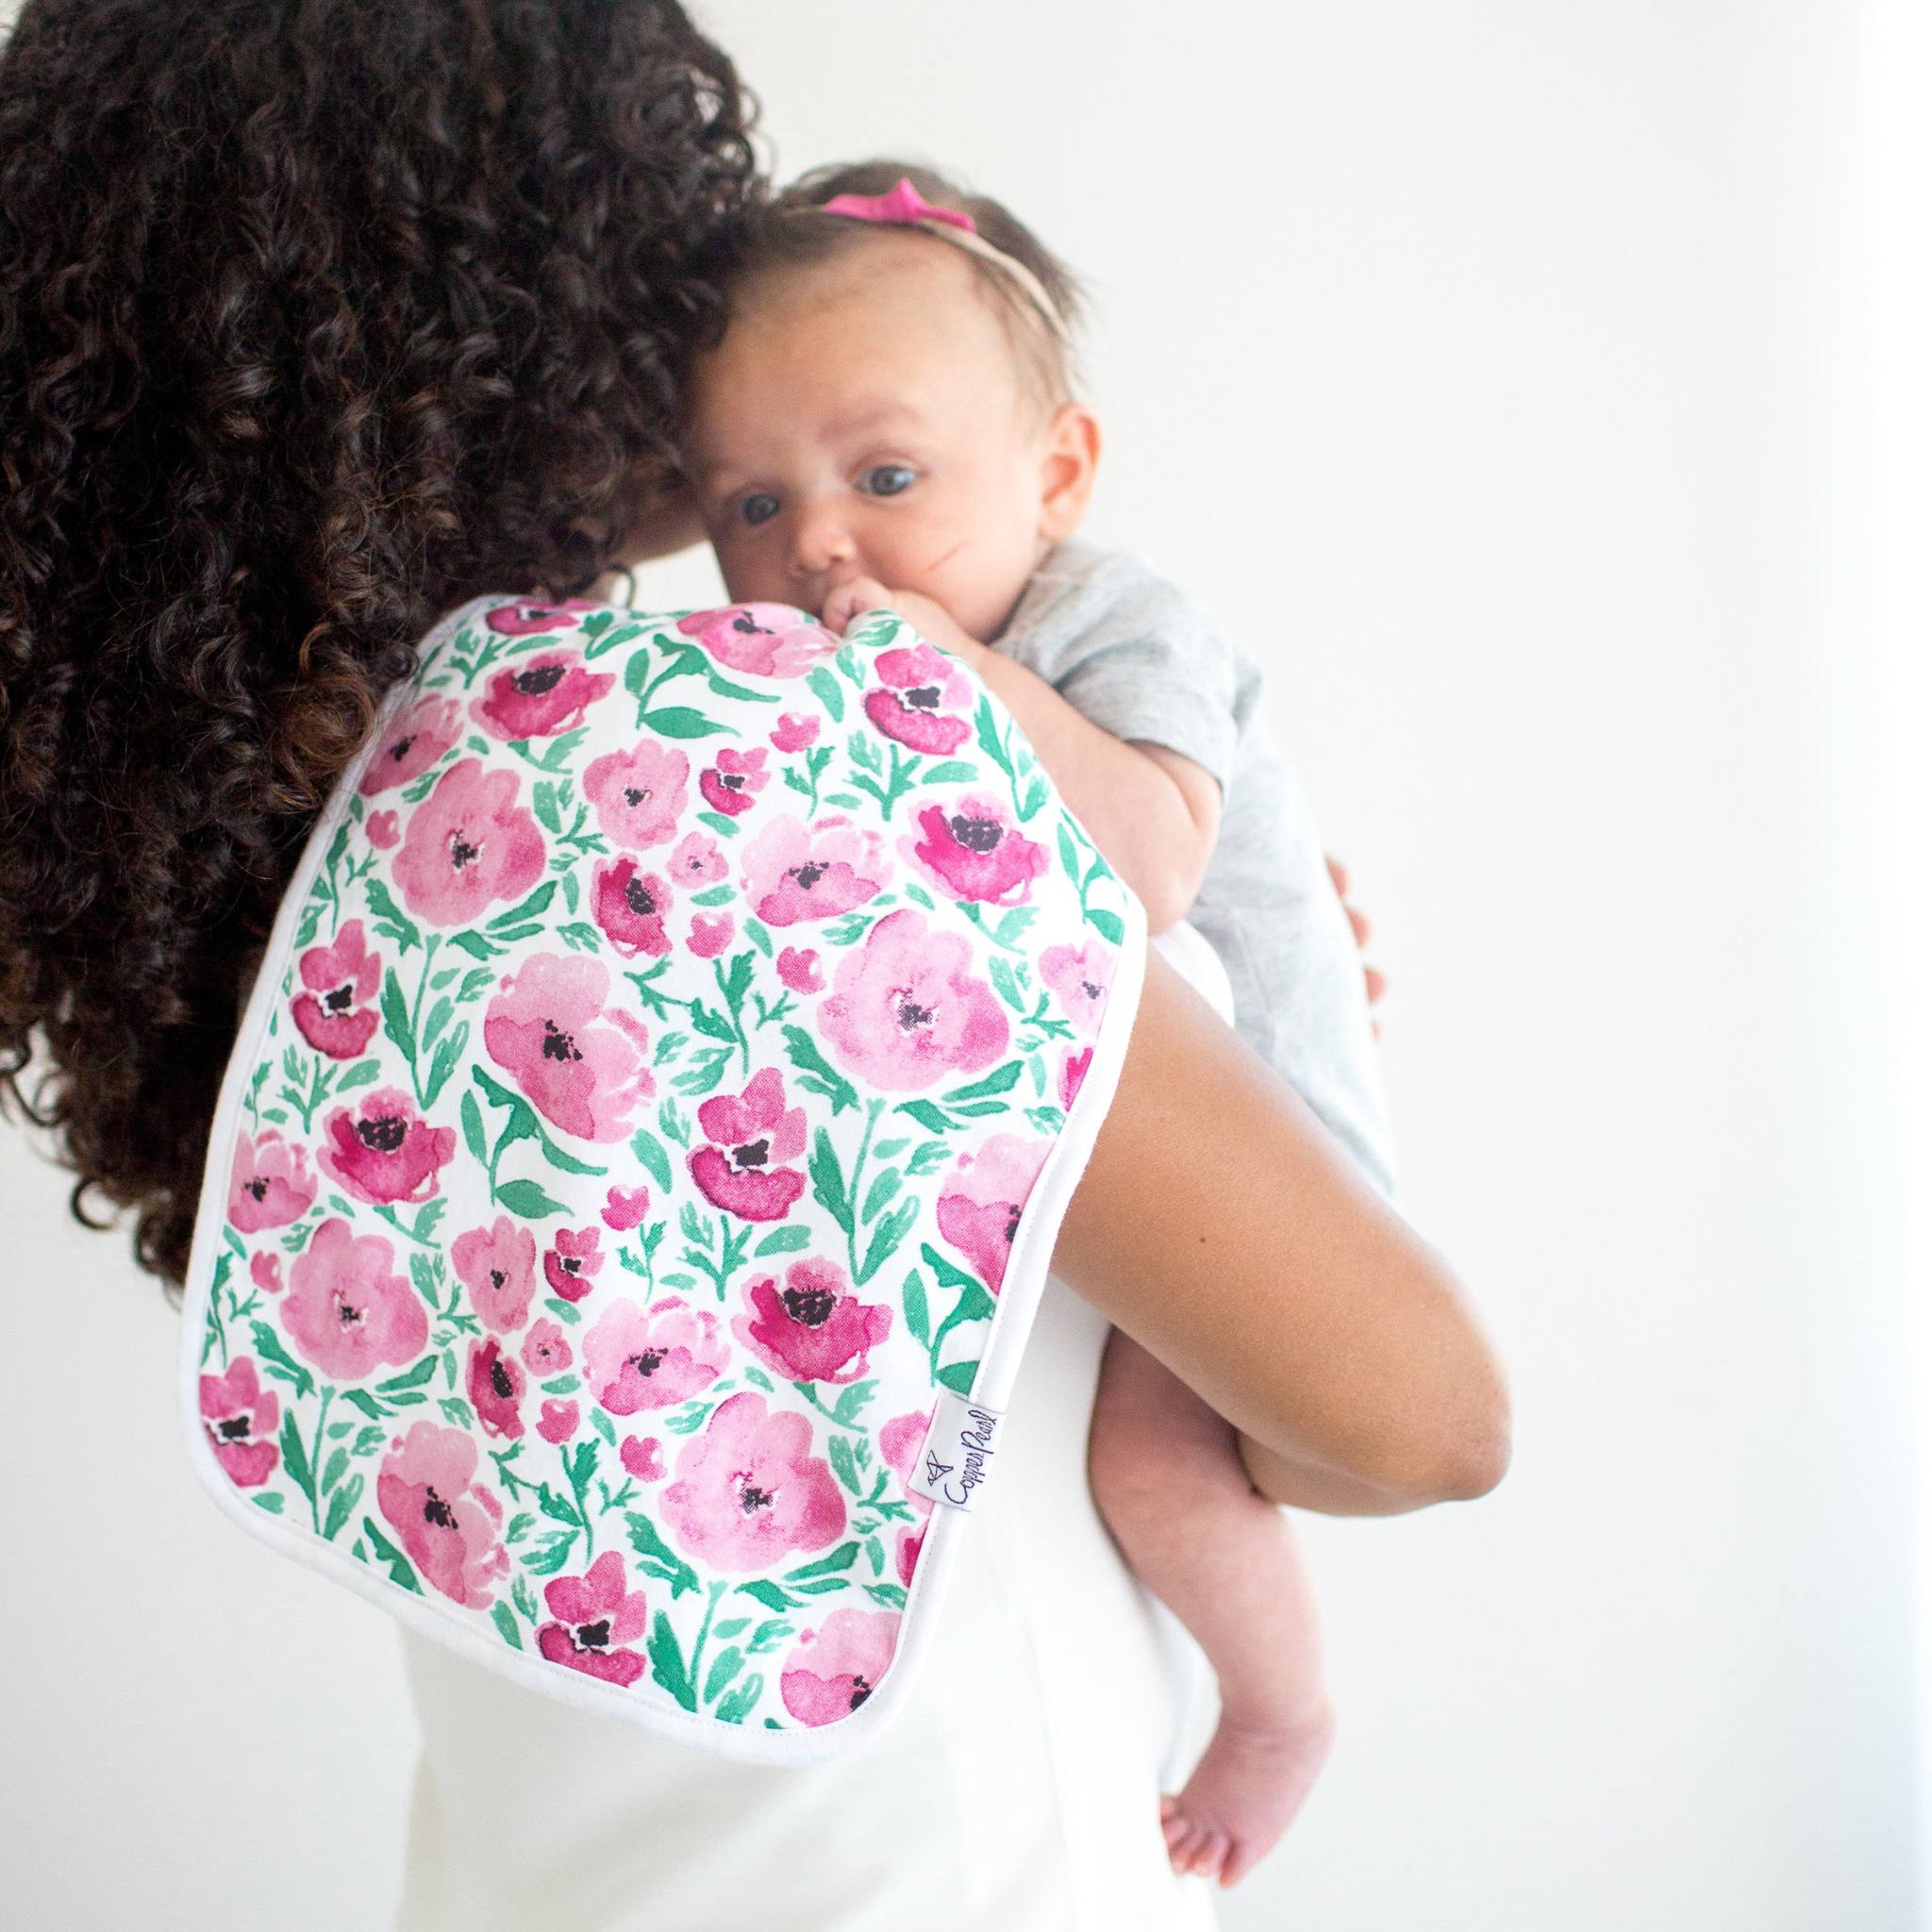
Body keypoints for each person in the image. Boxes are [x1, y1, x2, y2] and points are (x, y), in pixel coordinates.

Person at [0, 6, 1509, 1928]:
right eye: (622, 232)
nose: (683, 286)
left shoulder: (304, 835)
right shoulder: (752, 771)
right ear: (499, 307)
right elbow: (1423, 1422)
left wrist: (1184, 1013)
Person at [669, 161, 1386, 1886]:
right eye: (751, 504)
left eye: (886, 478)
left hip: (1270, 1144)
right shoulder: (827, 679)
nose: (816, 545)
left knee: (1154, 1464)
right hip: (1086, 1145)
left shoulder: (1109, 623)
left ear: (1055, 474)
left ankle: (1280, 1710)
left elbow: (1148, 858)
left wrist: (954, 676)